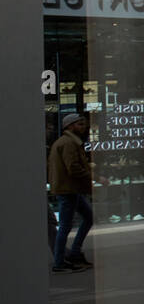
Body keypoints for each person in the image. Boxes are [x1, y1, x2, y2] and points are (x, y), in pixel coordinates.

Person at [49, 112, 95, 273]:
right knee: (66, 226)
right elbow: (73, 167)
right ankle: (59, 262)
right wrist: (93, 176)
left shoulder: (68, 142)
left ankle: (73, 253)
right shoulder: (69, 143)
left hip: (70, 189)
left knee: (88, 217)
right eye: (79, 124)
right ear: (69, 126)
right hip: (68, 189)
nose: (83, 127)